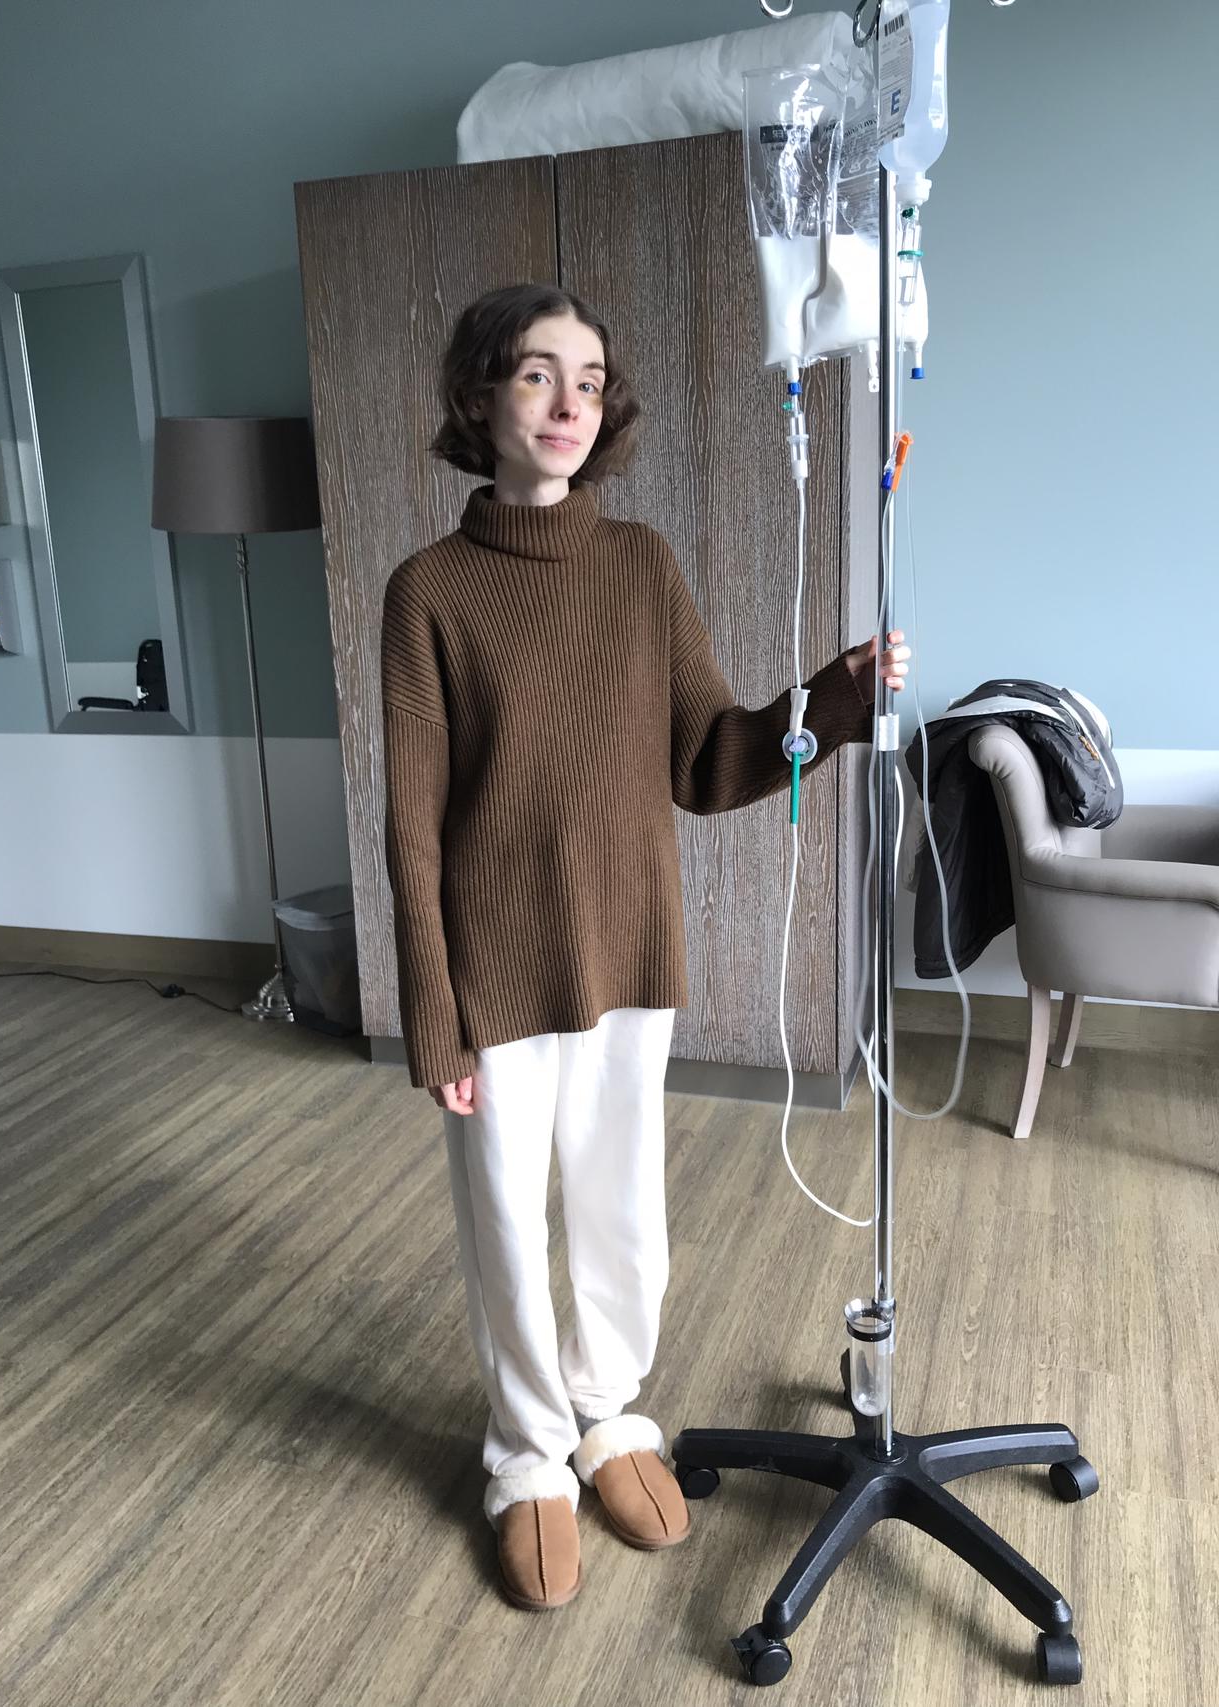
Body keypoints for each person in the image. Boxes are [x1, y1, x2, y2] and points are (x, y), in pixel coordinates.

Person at [379, 283, 910, 1612]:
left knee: (623, 1207)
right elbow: (411, 820)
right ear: (479, 396)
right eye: (537, 374)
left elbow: (710, 756)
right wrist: (433, 1011)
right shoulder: (427, 591)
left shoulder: (641, 564)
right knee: (508, 1221)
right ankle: (525, 1456)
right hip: (495, 967)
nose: (570, 403)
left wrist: (834, 698)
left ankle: (608, 1411)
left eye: (591, 380)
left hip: (629, 946)